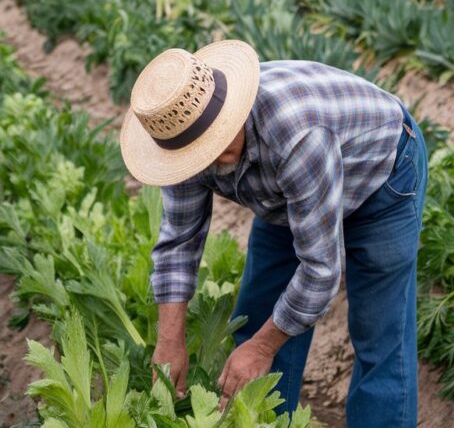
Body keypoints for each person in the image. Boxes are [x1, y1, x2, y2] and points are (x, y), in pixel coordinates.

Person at [119, 40, 426, 426]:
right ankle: (266, 421)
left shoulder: (297, 134)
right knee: (259, 312)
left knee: (379, 332)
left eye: (215, 141)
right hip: (287, 194)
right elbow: (179, 242)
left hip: (380, 179)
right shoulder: (182, 142)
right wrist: (169, 342)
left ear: (232, 112)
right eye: (197, 153)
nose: (210, 160)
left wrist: (263, 348)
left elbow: (320, 272)